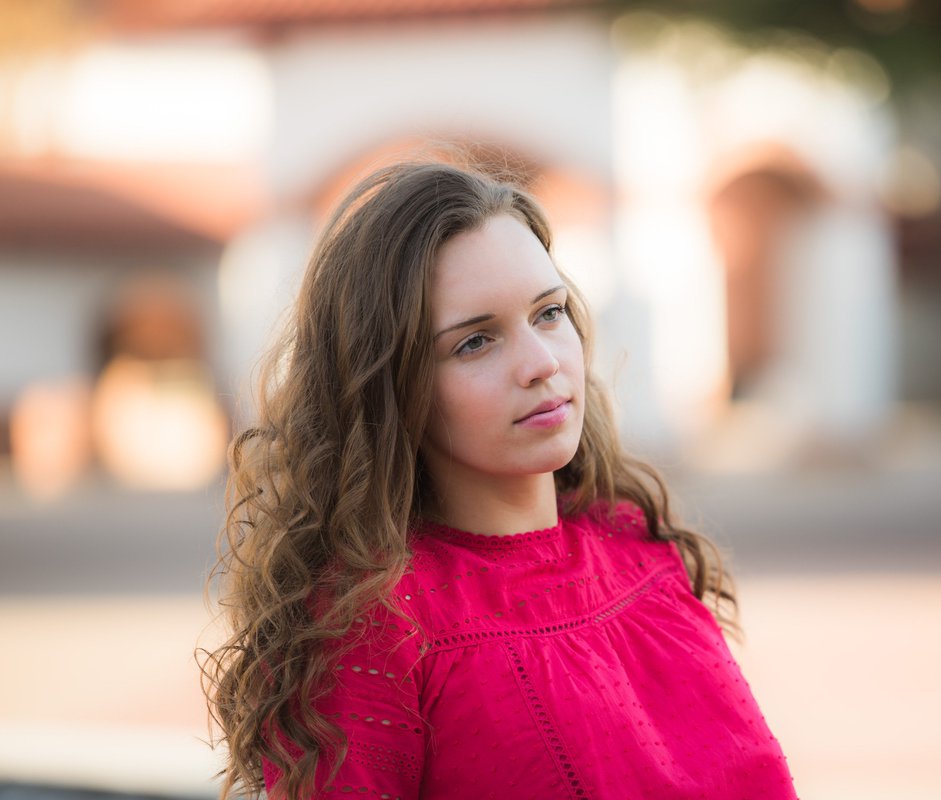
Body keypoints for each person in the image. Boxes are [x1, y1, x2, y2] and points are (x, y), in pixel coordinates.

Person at [202, 160, 799, 800]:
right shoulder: (374, 628)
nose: (542, 363)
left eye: (549, 313)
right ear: (392, 387)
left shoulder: (637, 542)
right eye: (475, 343)